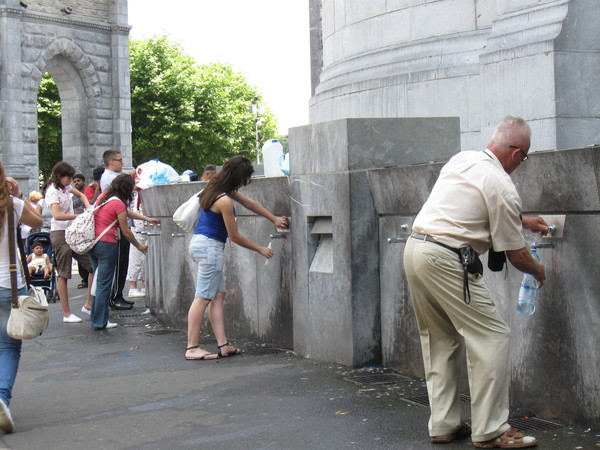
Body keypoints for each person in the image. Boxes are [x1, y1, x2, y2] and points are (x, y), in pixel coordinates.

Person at [403, 116, 547, 448]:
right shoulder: (502, 184)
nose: (520, 164)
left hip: (416, 249)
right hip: (447, 258)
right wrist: (540, 272)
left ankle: (444, 424)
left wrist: (522, 221)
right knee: (493, 336)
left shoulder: (463, 159)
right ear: (515, 152)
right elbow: (517, 256)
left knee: (440, 339)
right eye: (523, 158)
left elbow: (469, 206)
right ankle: (492, 430)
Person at [185, 156, 288, 361]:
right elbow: (235, 236)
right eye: (245, 179)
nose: (245, 183)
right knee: (203, 298)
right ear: (238, 177)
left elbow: (249, 203)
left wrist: (273, 218)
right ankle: (192, 347)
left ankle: (223, 345)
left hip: (201, 244)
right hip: (210, 248)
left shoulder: (214, 188)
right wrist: (260, 249)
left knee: (217, 295)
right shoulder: (224, 200)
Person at [0, 162, 43, 433]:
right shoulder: (12, 205)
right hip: (8, 286)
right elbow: (38, 222)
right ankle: (2, 398)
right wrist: (17, 195)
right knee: (8, 347)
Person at [88, 174, 158, 330]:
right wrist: (139, 245)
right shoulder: (118, 203)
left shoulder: (104, 197)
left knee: (98, 283)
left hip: (93, 243)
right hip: (107, 245)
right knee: (104, 285)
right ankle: (100, 321)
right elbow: (126, 231)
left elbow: (124, 212)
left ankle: (95, 316)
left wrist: (146, 218)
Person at [46, 161, 94, 322]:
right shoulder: (52, 191)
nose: (70, 181)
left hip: (72, 231)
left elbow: (80, 194)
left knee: (92, 264)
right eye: (68, 178)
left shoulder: (65, 188)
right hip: (60, 232)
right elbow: (57, 215)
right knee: (64, 272)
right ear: (59, 176)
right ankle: (66, 313)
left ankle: (88, 304)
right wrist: (79, 216)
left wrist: (88, 206)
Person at [100, 149, 133, 310]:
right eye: (119, 160)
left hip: (116, 228)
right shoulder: (110, 180)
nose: (122, 163)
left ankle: (116, 295)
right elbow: (121, 210)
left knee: (122, 262)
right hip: (115, 231)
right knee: (119, 263)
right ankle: (114, 296)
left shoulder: (111, 180)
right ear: (111, 162)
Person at [126, 190, 147, 298]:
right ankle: (132, 286)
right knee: (135, 259)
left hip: (143, 227)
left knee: (145, 260)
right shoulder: (135, 194)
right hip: (138, 228)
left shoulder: (141, 194)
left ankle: (144, 285)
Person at [72, 174, 89, 288]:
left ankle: (89, 277)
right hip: (77, 225)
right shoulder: (72, 195)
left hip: (87, 225)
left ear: (83, 181)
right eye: (75, 181)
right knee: (79, 251)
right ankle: (84, 278)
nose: (76, 183)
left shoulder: (88, 193)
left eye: (78, 181)